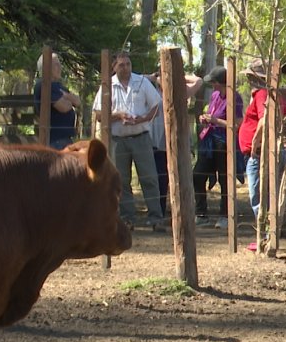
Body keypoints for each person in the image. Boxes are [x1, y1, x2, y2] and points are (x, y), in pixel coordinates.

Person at [93, 51, 164, 227]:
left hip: (141, 137)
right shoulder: (107, 85)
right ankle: (127, 219)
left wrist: (144, 118)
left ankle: (156, 218)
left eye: (128, 64)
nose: (126, 68)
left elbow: (157, 105)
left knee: (149, 178)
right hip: (118, 141)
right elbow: (99, 114)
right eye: (121, 65)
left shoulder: (142, 82)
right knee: (121, 181)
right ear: (114, 67)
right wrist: (118, 115)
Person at [237, 61, 286, 248]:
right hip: (269, 151)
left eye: (250, 76)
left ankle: (266, 236)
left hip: (261, 153)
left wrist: (255, 141)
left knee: (259, 197)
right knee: (267, 195)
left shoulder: (262, 94)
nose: (248, 79)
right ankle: (268, 235)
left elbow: (264, 118)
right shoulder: (274, 95)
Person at [146, 67, 204, 219]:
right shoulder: (151, 92)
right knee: (159, 178)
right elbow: (137, 78)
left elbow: (199, 81)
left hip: (177, 142)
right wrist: (154, 77)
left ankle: (179, 211)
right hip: (156, 143)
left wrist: (178, 76)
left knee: (179, 177)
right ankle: (160, 210)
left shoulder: (180, 93)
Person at [193, 66, 244, 228]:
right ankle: (201, 214)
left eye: (214, 82)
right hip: (209, 141)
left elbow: (236, 125)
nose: (212, 85)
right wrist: (205, 118)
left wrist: (215, 121)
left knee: (225, 178)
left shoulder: (234, 98)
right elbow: (211, 113)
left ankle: (225, 215)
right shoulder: (214, 96)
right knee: (198, 175)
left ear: (222, 82)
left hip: (224, 143)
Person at [33, 53, 81, 150]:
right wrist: (69, 100)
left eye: (60, 64)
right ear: (46, 67)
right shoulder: (44, 85)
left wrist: (66, 96)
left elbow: (78, 102)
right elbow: (64, 107)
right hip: (55, 141)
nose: (60, 67)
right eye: (56, 65)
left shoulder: (58, 86)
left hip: (65, 139)